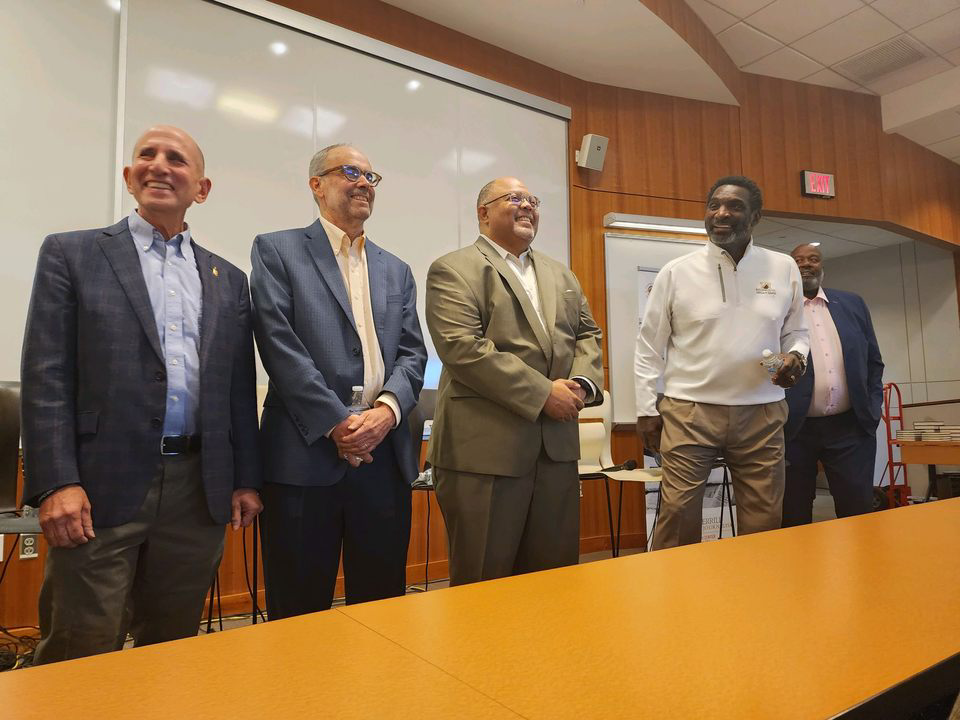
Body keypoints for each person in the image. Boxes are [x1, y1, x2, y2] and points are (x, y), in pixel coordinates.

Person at [22, 125, 262, 664]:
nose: (159, 165)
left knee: (171, 650)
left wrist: (245, 478)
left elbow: (235, 390)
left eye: (176, 158)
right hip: (99, 483)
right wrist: (57, 482)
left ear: (201, 188)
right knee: (81, 647)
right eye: (146, 156)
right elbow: (46, 375)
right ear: (129, 177)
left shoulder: (228, 279)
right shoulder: (72, 253)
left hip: (198, 490)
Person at [251, 144, 426, 617]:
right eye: (350, 172)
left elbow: (413, 354)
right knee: (299, 610)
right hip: (304, 457)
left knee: (383, 606)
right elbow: (279, 346)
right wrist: (338, 424)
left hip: (383, 457)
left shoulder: (396, 269)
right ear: (317, 184)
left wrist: (386, 412)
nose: (364, 182)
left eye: (371, 175)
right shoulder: (277, 250)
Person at [425, 176, 603, 586]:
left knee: (554, 583)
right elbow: (463, 348)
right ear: (483, 212)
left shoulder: (562, 275)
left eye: (532, 200)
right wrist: (543, 394)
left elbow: (587, 335)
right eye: (514, 198)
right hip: (484, 455)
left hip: (555, 451)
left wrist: (581, 384)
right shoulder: (453, 269)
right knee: (484, 584)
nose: (527, 206)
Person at [634, 176, 809, 549]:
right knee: (678, 516)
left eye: (734, 206)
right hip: (689, 412)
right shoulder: (676, 272)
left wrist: (796, 355)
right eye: (714, 205)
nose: (721, 214)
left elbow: (796, 331)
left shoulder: (783, 267)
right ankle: (675, 586)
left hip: (762, 413)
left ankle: (751, 586)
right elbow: (649, 345)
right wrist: (646, 409)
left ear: (756, 216)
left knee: (764, 521)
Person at [782, 243, 884, 525]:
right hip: (793, 431)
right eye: (798, 260)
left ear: (822, 266)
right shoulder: (777, 309)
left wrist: (872, 410)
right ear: (788, 269)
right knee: (792, 515)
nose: (806, 264)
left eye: (813, 259)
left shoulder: (852, 304)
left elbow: (874, 362)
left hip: (850, 428)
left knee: (858, 511)